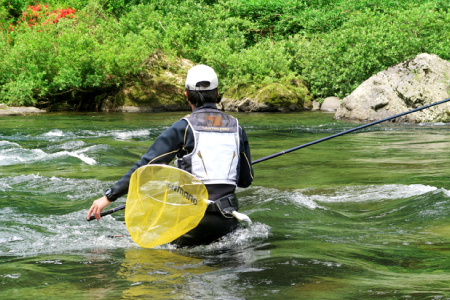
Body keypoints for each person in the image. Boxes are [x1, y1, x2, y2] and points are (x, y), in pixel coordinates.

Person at [87, 64, 254, 247]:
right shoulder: (237, 129)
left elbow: (146, 167)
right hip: (228, 222)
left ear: (186, 95)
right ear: (217, 94)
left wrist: (109, 196)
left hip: (192, 223)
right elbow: (245, 180)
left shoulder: (183, 128)